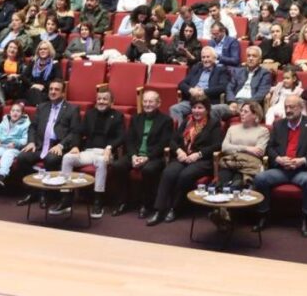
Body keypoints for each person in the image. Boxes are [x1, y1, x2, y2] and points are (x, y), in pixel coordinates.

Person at [251, 94, 307, 237]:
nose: (288, 110)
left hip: (301, 170)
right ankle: (263, 216)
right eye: (286, 107)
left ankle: (306, 219)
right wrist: (278, 159)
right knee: (260, 179)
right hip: (281, 169)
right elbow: (269, 148)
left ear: (301, 107)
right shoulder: (278, 125)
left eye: (292, 107)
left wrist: (302, 160)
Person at [146, 93, 222, 226]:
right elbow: (172, 140)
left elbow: (217, 145)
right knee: (168, 173)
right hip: (183, 157)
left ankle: (175, 209)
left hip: (202, 161)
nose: (196, 111)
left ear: (207, 109)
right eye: (194, 108)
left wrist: (198, 154)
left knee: (185, 176)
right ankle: (159, 210)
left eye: (200, 108)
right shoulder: (187, 121)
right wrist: (179, 150)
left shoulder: (213, 123)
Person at [59, 87, 125, 218]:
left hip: (106, 153)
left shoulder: (118, 116)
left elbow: (121, 136)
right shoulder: (90, 114)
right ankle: (66, 198)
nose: (101, 101)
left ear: (112, 101)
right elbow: (78, 131)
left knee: (101, 161)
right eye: (99, 99)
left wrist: (109, 147)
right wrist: (76, 146)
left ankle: (98, 201)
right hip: (88, 151)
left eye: (105, 99)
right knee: (67, 157)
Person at [14, 79, 82, 206]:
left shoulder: (72, 109)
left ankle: (46, 195)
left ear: (63, 93)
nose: (53, 92)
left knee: (51, 159)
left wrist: (61, 145)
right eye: (51, 89)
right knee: (22, 157)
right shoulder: (42, 107)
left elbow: (74, 132)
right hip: (40, 145)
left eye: (56, 89)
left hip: (57, 146)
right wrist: (31, 142)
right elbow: (33, 127)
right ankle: (32, 191)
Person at [112, 89, 173, 218]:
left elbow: (164, 143)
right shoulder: (136, 118)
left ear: (158, 103)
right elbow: (129, 139)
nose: (147, 104)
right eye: (145, 101)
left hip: (154, 156)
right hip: (135, 155)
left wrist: (147, 157)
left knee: (148, 170)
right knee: (118, 165)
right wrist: (134, 155)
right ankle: (123, 202)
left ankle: (147, 205)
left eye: (151, 101)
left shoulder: (166, 120)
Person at [212, 101, 270, 232]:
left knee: (236, 184)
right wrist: (247, 148)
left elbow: (260, 150)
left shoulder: (263, 130)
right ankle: (224, 215)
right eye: (241, 111)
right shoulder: (232, 128)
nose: (241, 114)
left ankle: (226, 216)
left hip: (248, 166)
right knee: (222, 183)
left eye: (245, 111)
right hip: (229, 163)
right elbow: (224, 147)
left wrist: (236, 149)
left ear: (255, 114)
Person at [172, 46, 229, 121]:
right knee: (174, 109)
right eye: (203, 57)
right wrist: (191, 90)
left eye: (208, 57)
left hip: (208, 102)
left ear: (214, 58)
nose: (205, 60)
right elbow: (181, 84)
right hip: (192, 101)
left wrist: (203, 92)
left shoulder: (221, 70)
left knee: (212, 111)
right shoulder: (197, 68)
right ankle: (180, 132)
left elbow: (223, 87)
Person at [223, 45, 273, 117]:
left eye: (254, 56)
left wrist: (245, 106)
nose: (250, 58)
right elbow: (229, 87)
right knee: (214, 110)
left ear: (260, 60)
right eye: (248, 56)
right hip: (235, 102)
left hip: (251, 106)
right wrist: (232, 101)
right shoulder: (238, 71)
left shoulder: (264, 74)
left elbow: (261, 93)